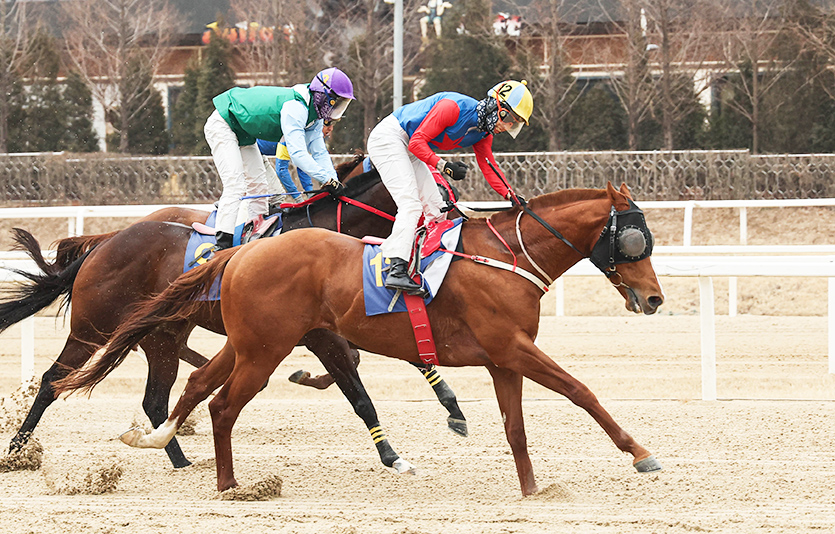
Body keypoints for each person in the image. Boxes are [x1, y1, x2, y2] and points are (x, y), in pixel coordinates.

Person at [366, 80, 533, 294]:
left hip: (409, 147)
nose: (507, 126)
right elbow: (417, 142)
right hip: (390, 138)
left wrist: (511, 196)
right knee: (411, 205)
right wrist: (444, 166)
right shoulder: (453, 107)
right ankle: (396, 269)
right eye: (509, 119)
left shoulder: (484, 134)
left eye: (514, 124)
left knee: (437, 209)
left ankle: (420, 264)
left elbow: (488, 166)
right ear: (494, 106)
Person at [204, 67, 354, 250]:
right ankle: (222, 244)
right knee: (236, 184)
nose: (336, 109)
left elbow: (320, 154)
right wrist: (326, 180)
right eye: (336, 102)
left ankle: (255, 232)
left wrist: (335, 182)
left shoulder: (314, 118)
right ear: (323, 96)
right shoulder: (296, 107)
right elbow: (298, 155)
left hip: (244, 133)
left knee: (259, 184)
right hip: (223, 123)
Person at [257, 120, 336, 201]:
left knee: (276, 198)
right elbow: (281, 170)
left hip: (259, 154)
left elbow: (303, 167)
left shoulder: (307, 135)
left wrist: (310, 194)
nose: (331, 128)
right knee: (277, 197)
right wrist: (298, 198)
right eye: (327, 123)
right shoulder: (291, 136)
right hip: (252, 153)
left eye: (333, 124)